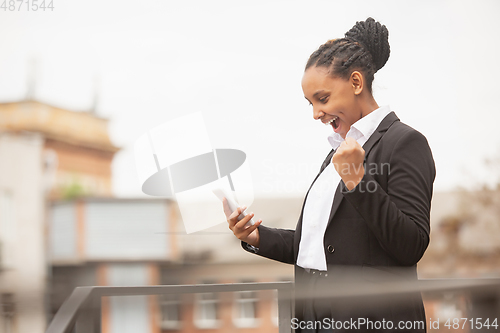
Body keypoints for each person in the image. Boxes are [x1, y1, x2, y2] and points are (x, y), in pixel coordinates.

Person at [223, 17, 435, 333]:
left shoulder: (403, 142)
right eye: (310, 103)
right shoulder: (336, 153)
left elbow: (411, 245)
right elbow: (322, 247)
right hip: (313, 318)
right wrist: (256, 236)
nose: (315, 114)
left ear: (356, 83)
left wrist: (357, 179)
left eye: (322, 99)